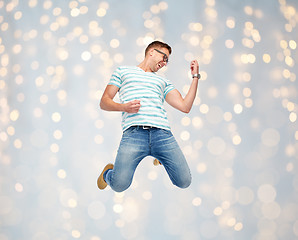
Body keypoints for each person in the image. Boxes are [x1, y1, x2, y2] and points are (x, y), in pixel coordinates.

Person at [97, 41, 200, 192]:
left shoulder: (163, 81)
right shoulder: (123, 72)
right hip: (134, 134)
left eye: (167, 61)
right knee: (119, 185)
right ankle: (107, 173)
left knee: (184, 181)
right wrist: (123, 107)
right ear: (151, 52)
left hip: (162, 134)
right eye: (164, 57)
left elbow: (185, 107)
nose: (164, 63)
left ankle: (162, 157)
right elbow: (104, 102)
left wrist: (195, 77)